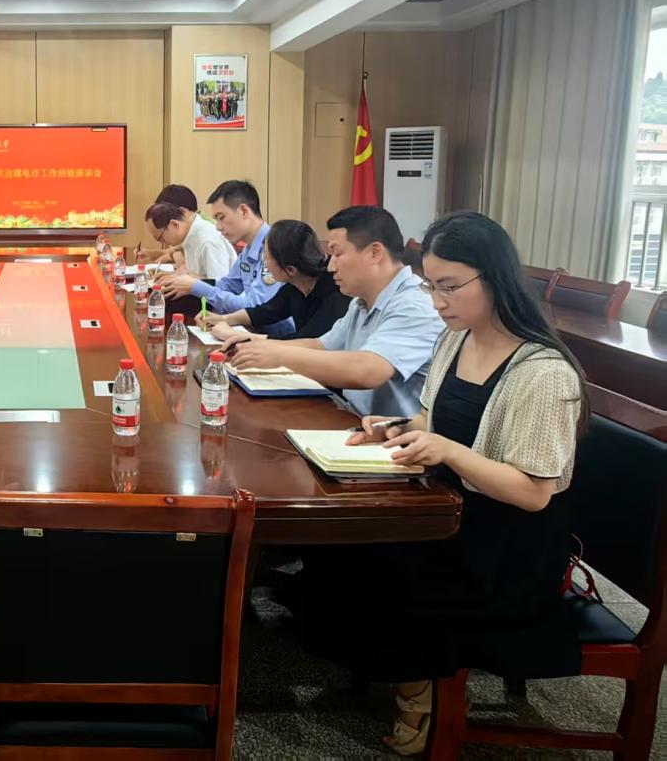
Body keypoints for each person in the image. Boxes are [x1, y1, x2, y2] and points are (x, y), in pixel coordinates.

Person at [301, 211, 587, 755]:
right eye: (431, 286)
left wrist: (450, 451)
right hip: (448, 509)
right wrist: (396, 427)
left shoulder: (543, 372)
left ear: (495, 277)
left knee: (381, 564)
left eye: (450, 287)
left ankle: (420, 686)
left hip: (505, 549)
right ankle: (395, 667)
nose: (437, 302)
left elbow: (533, 492)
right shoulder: (458, 340)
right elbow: (436, 419)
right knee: (339, 550)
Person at [226, 205, 444, 417]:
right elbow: (321, 345)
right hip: (351, 417)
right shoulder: (361, 302)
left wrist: (277, 355)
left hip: (393, 436)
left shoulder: (415, 304)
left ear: (374, 253)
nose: (331, 267)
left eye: (338, 254)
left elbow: (368, 370)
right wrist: (257, 346)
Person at [162, 180, 283, 325]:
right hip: (253, 330)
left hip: (280, 335)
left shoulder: (274, 247)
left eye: (221, 217)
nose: (218, 227)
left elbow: (254, 307)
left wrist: (196, 286)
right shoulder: (249, 249)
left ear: (243, 211)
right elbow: (227, 285)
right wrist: (190, 284)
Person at [208, 219, 350, 341]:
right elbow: (266, 312)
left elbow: (305, 344)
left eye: (267, 258)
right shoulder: (295, 284)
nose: (264, 263)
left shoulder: (336, 292)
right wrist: (223, 319)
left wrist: (238, 335)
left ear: (290, 269)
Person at [143, 201, 236, 281]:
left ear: (174, 224)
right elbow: (197, 274)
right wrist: (173, 275)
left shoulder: (207, 241)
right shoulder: (189, 236)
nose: (162, 242)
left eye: (160, 238)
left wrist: (181, 279)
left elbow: (219, 285)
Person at [136, 184, 198, 265]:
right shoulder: (188, 229)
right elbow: (177, 250)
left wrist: (173, 256)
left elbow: (182, 257)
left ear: (182, 211)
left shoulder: (204, 234)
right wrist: (151, 254)